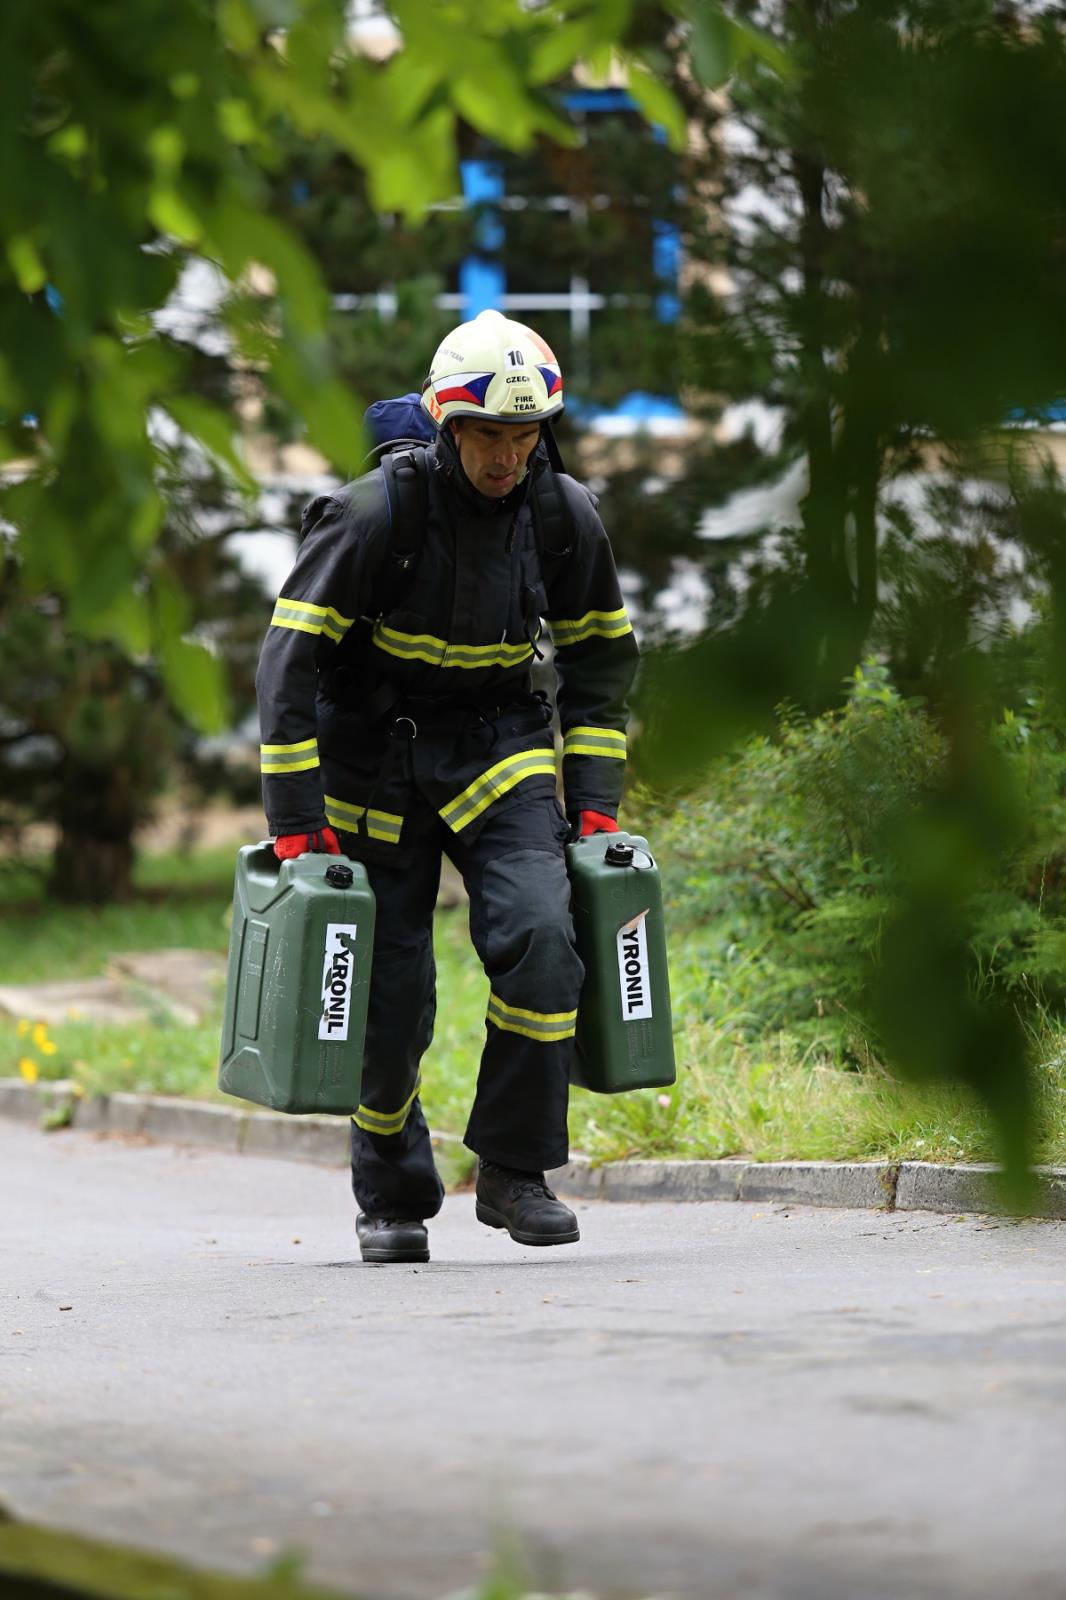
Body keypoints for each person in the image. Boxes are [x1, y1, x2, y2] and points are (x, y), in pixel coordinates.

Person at [255, 310, 638, 1263]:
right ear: (445, 425)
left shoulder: (565, 515)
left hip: (499, 749)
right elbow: (286, 669)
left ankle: (514, 1169)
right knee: (386, 1000)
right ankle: (392, 1194)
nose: (508, 459)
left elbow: (599, 667)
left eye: (524, 438)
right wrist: (298, 825)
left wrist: (592, 803)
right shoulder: (373, 515)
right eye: (488, 439)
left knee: (547, 942)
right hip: (372, 763)